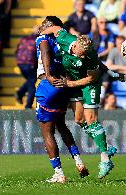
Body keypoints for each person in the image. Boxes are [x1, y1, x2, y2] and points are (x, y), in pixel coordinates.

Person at [40, 19, 126, 179]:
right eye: (82, 53)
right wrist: (40, 36)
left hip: (89, 85)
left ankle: (105, 159)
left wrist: (70, 83)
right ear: (76, 46)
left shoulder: (90, 55)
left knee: (91, 120)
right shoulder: (65, 38)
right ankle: (107, 147)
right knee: (79, 120)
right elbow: (53, 27)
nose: (83, 56)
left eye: (86, 54)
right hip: (72, 83)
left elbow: (91, 78)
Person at [35, 17, 89, 183]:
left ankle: (59, 173)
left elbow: (44, 51)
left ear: (51, 26)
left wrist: (49, 76)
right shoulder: (63, 43)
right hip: (63, 86)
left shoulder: (43, 38)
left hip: (48, 84)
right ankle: (78, 161)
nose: (42, 26)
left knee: (47, 131)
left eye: (45, 23)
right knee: (61, 125)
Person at [15, 28, 37, 109]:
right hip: (30, 64)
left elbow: (17, 50)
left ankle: (20, 93)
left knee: (30, 81)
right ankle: (28, 106)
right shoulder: (39, 40)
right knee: (32, 87)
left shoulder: (24, 38)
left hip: (20, 63)